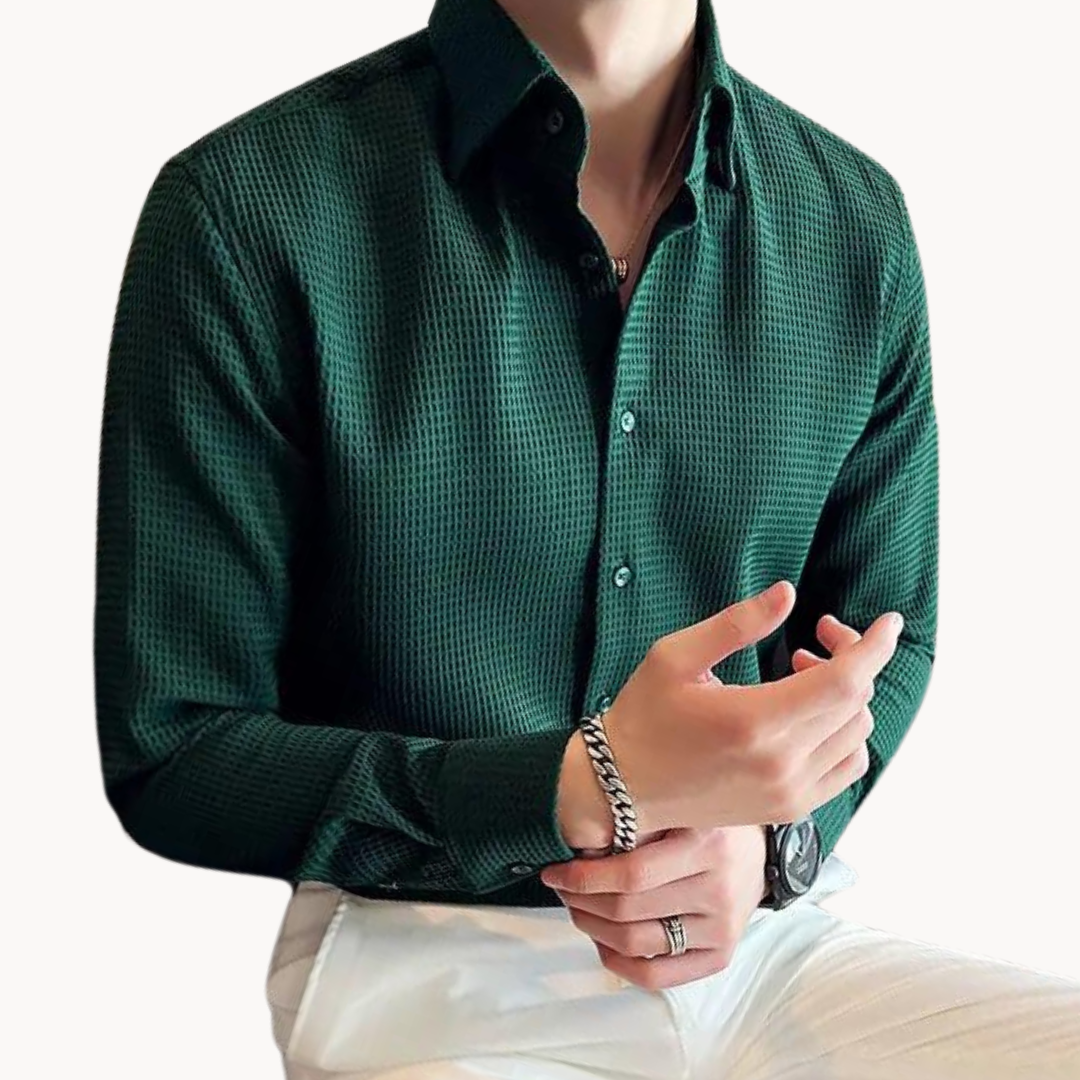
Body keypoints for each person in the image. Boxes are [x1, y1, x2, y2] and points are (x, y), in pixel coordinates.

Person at [92, 0, 1080, 1076]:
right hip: (426, 957)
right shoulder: (249, 208)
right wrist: (575, 786)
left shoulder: (855, 222)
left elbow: (890, 638)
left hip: (760, 943)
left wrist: (767, 849)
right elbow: (175, 746)